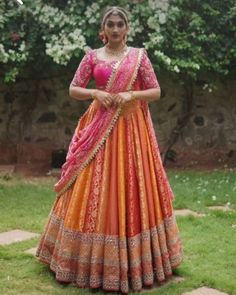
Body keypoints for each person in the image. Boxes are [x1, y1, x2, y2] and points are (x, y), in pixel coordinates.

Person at [36, 6, 183, 294]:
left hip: (131, 129)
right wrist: (95, 92)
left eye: (120, 25)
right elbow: (74, 88)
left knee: (130, 186)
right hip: (98, 129)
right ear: (104, 29)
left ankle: (140, 262)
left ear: (127, 29)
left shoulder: (139, 57)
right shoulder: (92, 56)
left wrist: (130, 94)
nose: (115, 30)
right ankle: (81, 261)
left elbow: (155, 91)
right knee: (92, 188)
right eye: (111, 25)